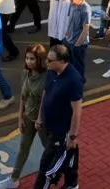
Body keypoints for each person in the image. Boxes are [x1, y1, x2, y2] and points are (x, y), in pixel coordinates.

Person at [0, 44, 49, 189]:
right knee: (23, 148)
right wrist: (20, 118)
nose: (29, 61)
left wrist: (40, 119)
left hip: (42, 120)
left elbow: (45, 99)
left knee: (48, 148)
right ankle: (14, 179)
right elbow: (23, 97)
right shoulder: (26, 72)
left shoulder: (47, 76)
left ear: (40, 60)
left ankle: (59, 172)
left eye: (33, 59)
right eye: (27, 58)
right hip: (28, 116)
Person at [33, 45, 83, 189]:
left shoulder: (74, 80)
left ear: (62, 61)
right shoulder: (52, 72)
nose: (46, 63)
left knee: (46, 167)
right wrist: (40, 117)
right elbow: (46, 93)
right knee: (69, 154)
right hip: (48, 125)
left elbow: (77, 111)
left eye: (50, 60)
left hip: (61, 131)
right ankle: (72, 184)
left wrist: (72, 136)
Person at [63, 0, 92, 83]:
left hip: (78, 44)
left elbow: (85, 29)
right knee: (69, 63)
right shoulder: (72, 4)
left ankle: (79, 82)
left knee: (78, 65)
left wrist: (77, 44)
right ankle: (73, 80)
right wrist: (67, 33)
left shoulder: (85, 9)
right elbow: (69, 20)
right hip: (69, 39)